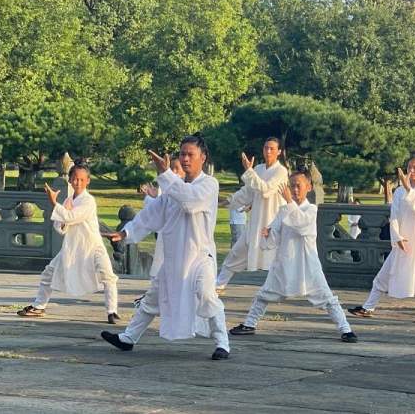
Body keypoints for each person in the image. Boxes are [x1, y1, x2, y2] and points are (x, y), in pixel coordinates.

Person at [100, 136, 231, 360]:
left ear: (203, 158)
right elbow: (151, 214)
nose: (185, 159)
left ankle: (223, 344)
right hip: (174, 257)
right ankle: (128, 338)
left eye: (190, 154)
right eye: (182, 154)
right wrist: (125, 233)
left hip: (200, 256)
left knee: (207, 295)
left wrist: (165, 174)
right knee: (152, 298)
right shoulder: (172, 188)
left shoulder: (209, 184)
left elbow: (190, 202)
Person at [229, 171, 357, 342]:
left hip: (306, 264)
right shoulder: (283, 210)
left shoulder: (311, 210)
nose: (295, 190)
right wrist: (268, 234)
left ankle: (346, 329)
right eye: (292, 186)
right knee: (263, 295)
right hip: (284, 262)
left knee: (327, 298)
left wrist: (289, 202)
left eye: (299, 186)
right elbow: (273, 238)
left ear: (308, 187)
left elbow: (301, 226)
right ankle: (249, 324)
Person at [348, 156, 415, 325]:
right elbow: (394, 215)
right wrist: (397, 237)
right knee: (382, 276)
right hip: (404, 241)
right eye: (409, 167)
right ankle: (368, 307)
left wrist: (409, 188)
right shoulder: (399, 192)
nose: (411, 170)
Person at [18, 162, 119, 323]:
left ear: (88, 181)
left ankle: (112, 311)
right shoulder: (68, 201)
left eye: (81, 179)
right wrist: (63, 215)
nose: (78, 182)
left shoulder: (88, 201)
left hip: (92, 246)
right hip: (72, 246)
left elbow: (71, 217)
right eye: (75, 179)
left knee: (108, 276)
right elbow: (60, 226)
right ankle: (39, 306)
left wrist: (54, 203)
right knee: (48, 273)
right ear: (70, 180)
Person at [216, 137, 289, 289]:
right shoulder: (259, 169)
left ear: (279, 152)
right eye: (266, 148)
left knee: (274, 260)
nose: (268, 151)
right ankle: (219, 285)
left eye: (272, 149)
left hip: (271, 224)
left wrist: (249, 171)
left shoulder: (281, 171)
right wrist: (228, 201)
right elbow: (247, 192)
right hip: (255, 223)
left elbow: (266, 190)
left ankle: (280, 290)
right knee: (236, 253)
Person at [135, 157, 185, 279]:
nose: (174, 171)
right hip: (164, 233)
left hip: (182, 237)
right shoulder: (166, 186)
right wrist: (150, 197)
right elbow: (158, 208)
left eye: (177, 168)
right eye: (172, 168)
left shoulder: (187, 188)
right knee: (160, 265)